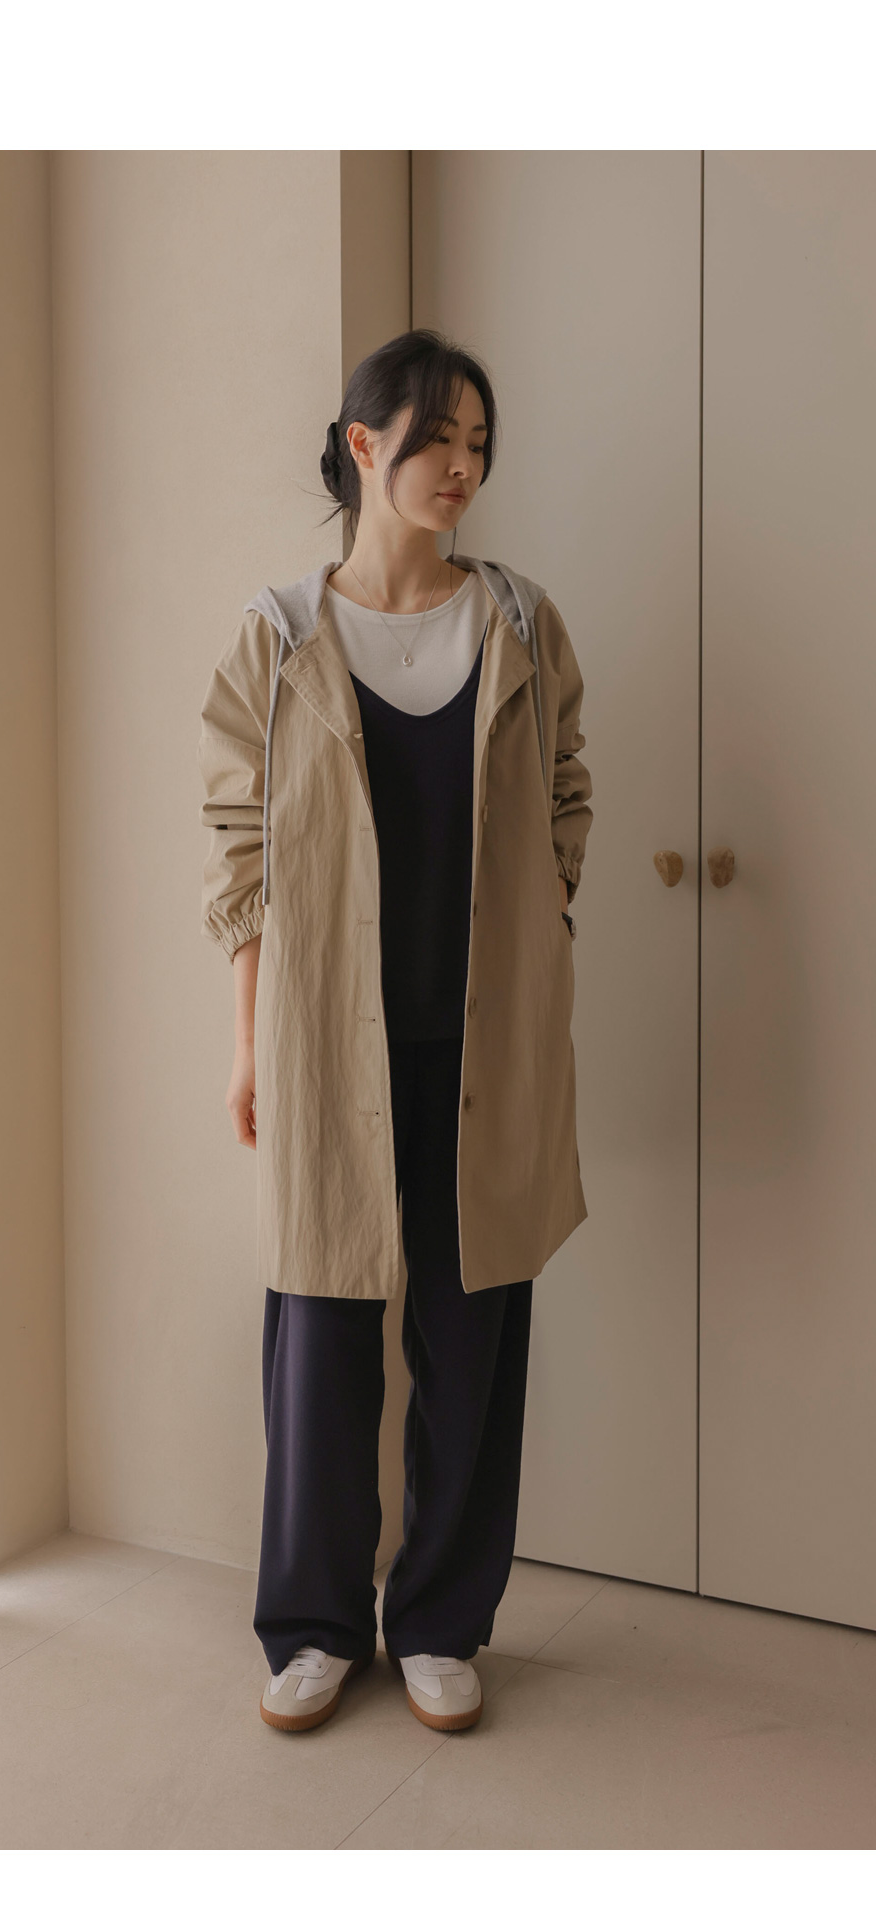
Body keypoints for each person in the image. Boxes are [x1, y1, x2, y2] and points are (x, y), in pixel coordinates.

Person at [196, 329, 594, 1735]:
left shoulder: (522, 623)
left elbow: (566, 791)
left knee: (472, 1336)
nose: (463, 467)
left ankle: (438, 1620)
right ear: (365, 446)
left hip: (486, 1049)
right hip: (328, 1045)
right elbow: (239, 849)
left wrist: (546, 921)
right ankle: (313, 1627)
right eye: (439, 440)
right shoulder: (279, 637)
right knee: (320, 1338)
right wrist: (252, 1042)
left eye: (480, 444)